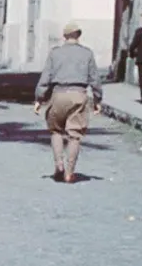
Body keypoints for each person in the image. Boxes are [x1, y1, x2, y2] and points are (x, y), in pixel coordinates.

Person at [33, 22, 102, 184]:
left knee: (56, 131)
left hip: (58, 94)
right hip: (79, 95)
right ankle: (70, 172)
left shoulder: (55, 53)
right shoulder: (87, 54)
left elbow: (45, 78)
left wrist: (39, 99)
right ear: (79, 35)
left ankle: (59, 165)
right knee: (75, 135)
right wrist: (98, 99)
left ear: (64, 36)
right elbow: (95, 79)